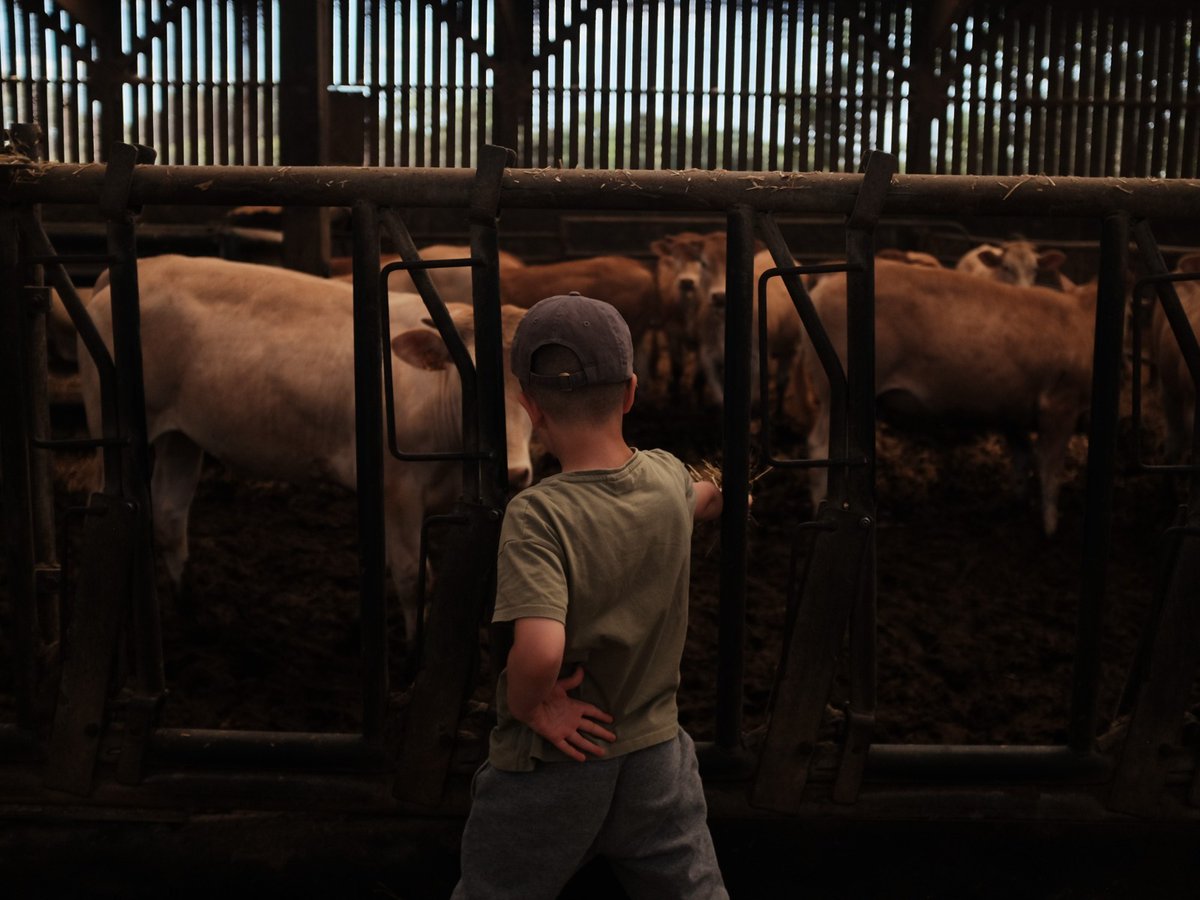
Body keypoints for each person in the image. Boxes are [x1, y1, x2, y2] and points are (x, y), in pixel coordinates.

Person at [452, 293, 729, 899]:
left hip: (557, 763)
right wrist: (730, 496)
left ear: (528, 406)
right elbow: (703, 497)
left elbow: (541, 650)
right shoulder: (664, 476)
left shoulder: (538, 515)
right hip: (657, 756)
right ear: (631, 392)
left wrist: (533, 707)